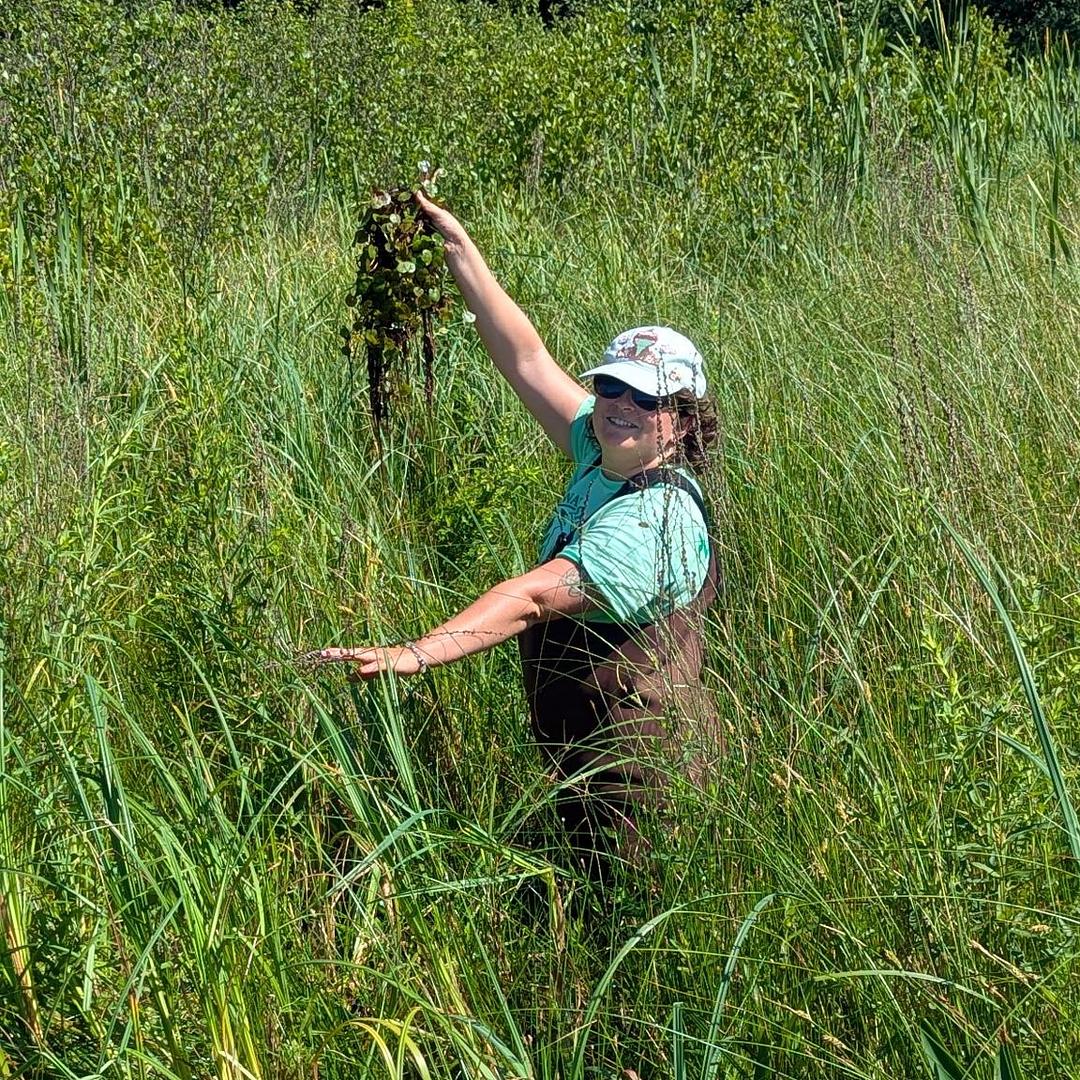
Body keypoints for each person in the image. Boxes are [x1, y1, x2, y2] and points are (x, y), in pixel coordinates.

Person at [319, 191, 721, 879]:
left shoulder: (654, 523)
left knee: (624, 910)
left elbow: (530, 597)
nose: (621, 406)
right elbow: (528, 358)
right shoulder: (603, 446)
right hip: (583, 736)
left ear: (681, 419)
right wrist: (456, 248)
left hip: (637, 764)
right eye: (612, 388)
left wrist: (414, 655)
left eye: (647, 399)